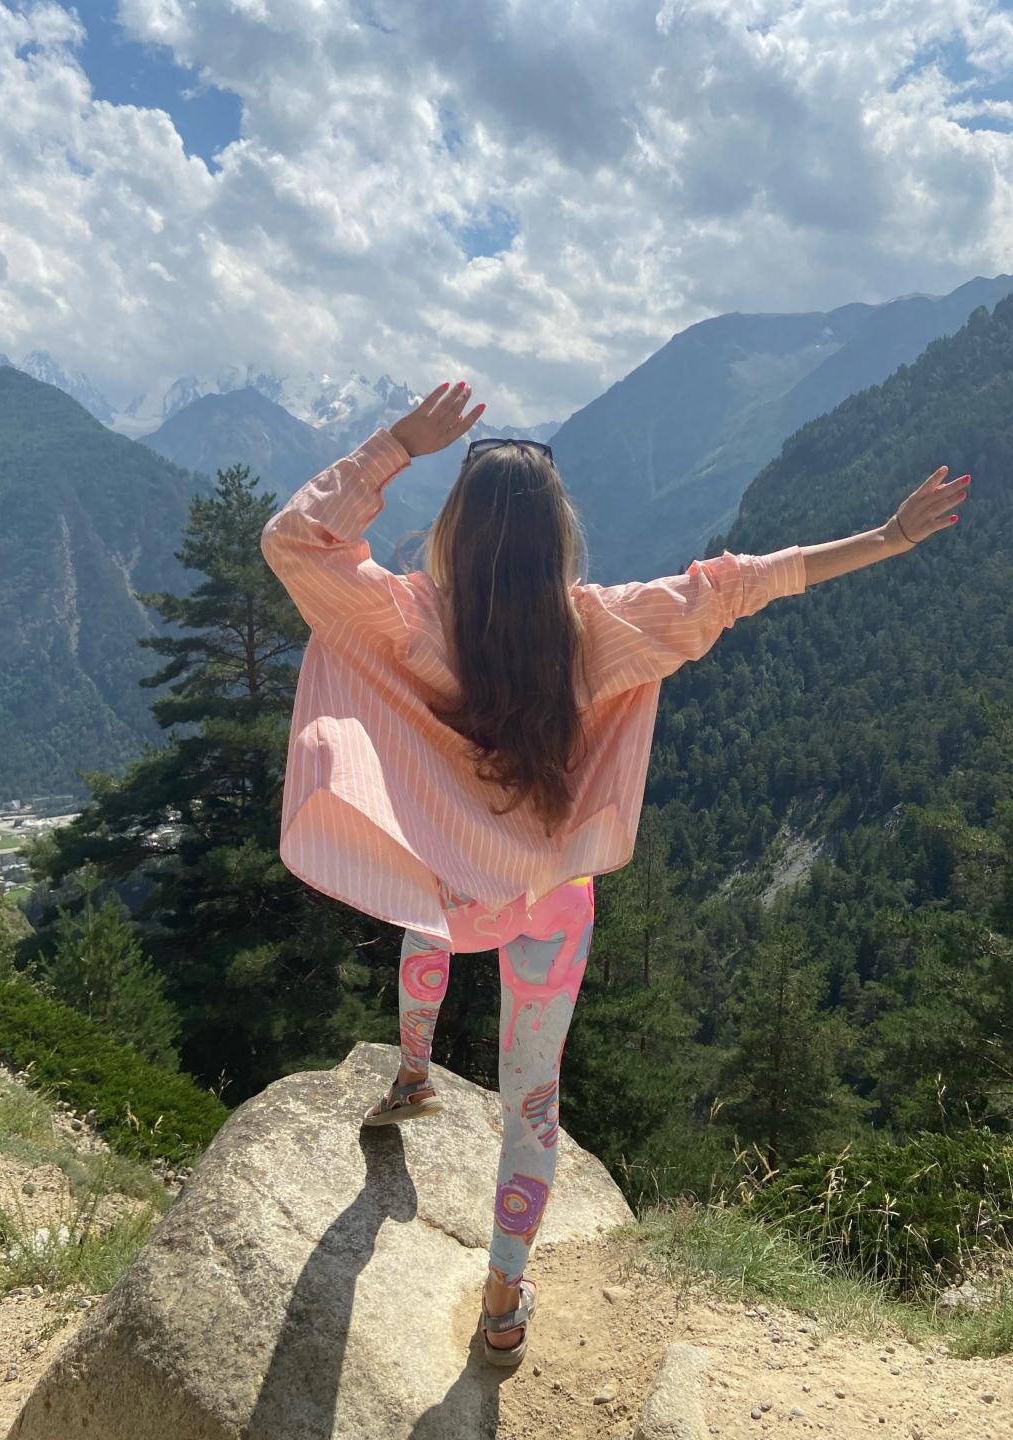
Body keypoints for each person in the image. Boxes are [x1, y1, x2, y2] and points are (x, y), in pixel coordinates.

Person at [260, 379, 970, 1366]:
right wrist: (888, 537)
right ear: (560, 537)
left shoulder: (409, 618)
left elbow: (296, 544)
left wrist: (396, 446)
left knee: (425, 922)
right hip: (550, 902)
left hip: (454, 887)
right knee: (532, 1097)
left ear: (456, 531)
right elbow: (743, 583)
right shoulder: (602, 627)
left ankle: (413, 1074)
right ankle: (503, 1298)